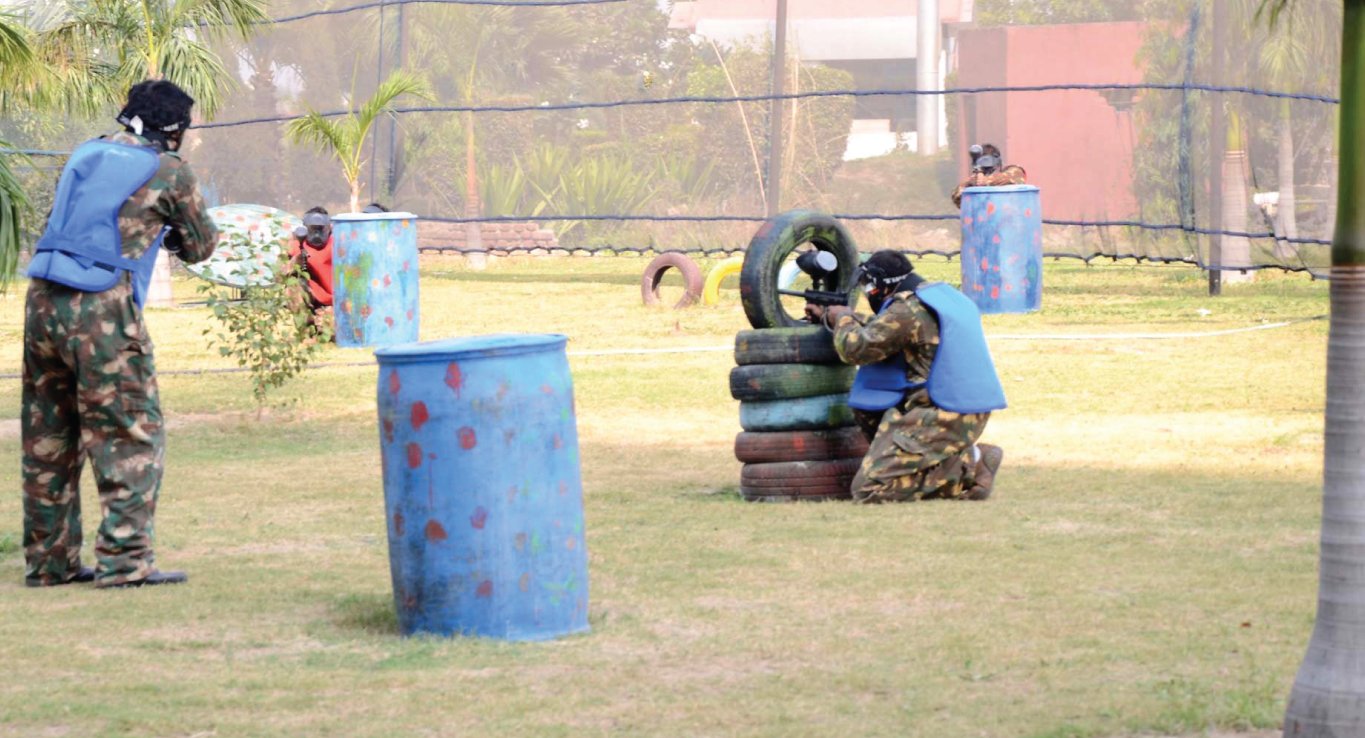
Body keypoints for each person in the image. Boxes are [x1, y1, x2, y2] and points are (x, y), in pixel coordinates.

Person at [22, 80, 218, 588]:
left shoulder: (87, 152)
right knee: (129, 432)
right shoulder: (169, 169)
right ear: (174, 130)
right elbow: (201, 247)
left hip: (43, 302)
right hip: (101, 311)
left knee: (50, 437)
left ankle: (50, 564)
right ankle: (125, 562)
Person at [805, 251, 1007, 503]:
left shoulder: (907, 309)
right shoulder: (935, 297)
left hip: (939, 414)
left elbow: (855, 348)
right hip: (962, 408)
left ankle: (969, 465)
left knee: (868, 490)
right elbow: (889, 328)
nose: (869, 293)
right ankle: (961, 458)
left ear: (882, 284)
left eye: (869, 286)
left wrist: (842, 318)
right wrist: (834, 317)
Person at [288, 206, 335, 319]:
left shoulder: (338, 244)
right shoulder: (296, 245)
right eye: (312, 229)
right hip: (312, 298)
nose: (317, 235)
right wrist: (295, 262)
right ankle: (306, 329)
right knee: (293, 288)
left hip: (339, 300)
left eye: (321, 229)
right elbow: (279, 276)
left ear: (329, 228)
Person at [951, 143, 1027, 208]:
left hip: (1010, 221)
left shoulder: (1012, 171)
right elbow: (958, 199)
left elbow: (1014, 176)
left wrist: (985, 181)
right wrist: (970, 182)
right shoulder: (975, 180)